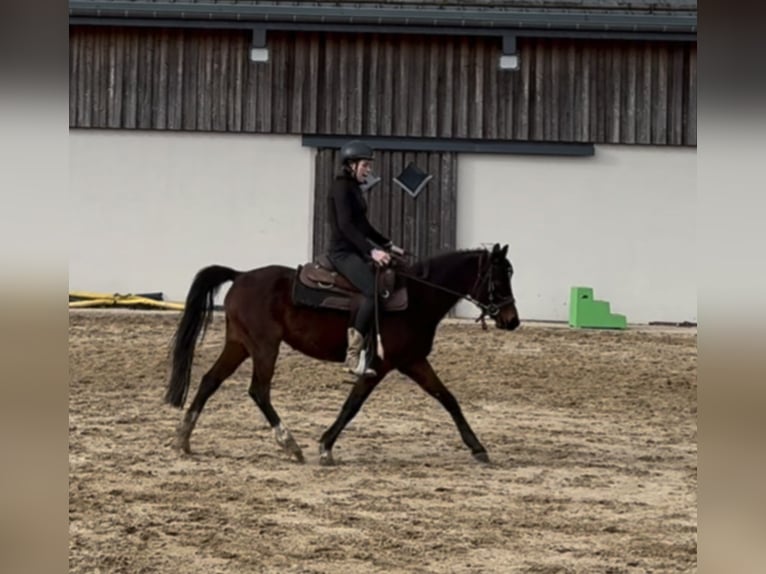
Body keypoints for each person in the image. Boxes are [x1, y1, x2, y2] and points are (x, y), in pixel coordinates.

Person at [327, 140, 404, 377]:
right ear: (351, 165)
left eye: (369, 166)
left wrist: (387, 243)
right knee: (373, 291)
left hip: (355, 250)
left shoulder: (354, 189)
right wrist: (371, 251)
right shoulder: (340, 188)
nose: (369, 170)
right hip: (342, 252)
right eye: (365, 165)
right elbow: (347, 226)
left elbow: (364, 226)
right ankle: (352, 355)